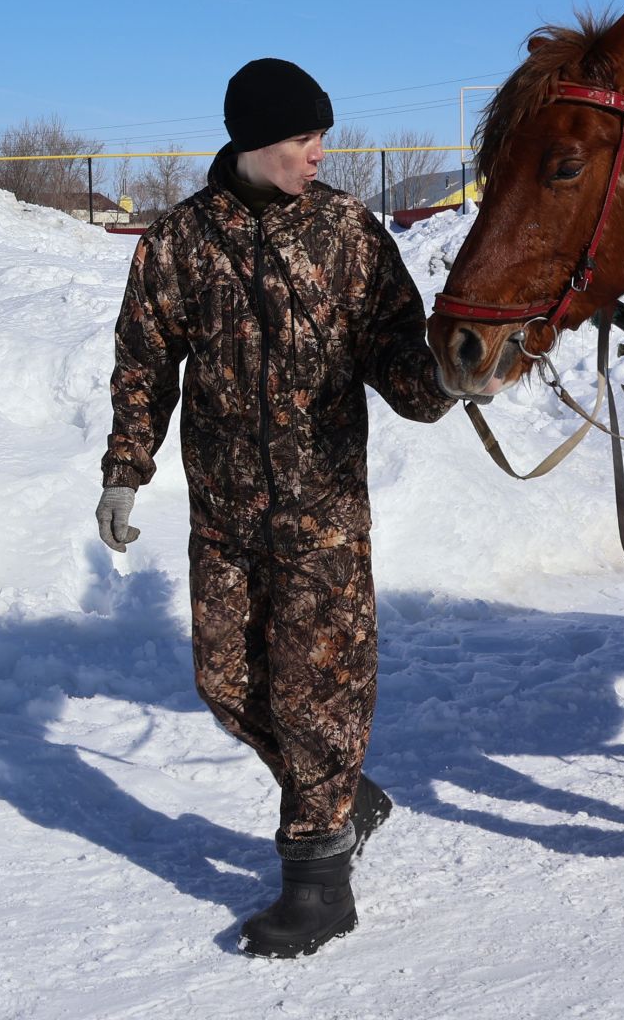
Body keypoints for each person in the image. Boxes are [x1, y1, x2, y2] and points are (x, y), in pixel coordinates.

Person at [96, 58, 453, 959]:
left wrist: (454, 372)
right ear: (255, 142)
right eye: (303, 140)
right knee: (223, 680)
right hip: (223, 512)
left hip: (322, 513)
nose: (318, 156)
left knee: (316, 692)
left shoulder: (349, 233)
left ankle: (319, 881)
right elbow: (144, 364)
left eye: (319, 138)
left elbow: (401, 364)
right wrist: (124, 469)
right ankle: (340, 791)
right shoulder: (179, 241)